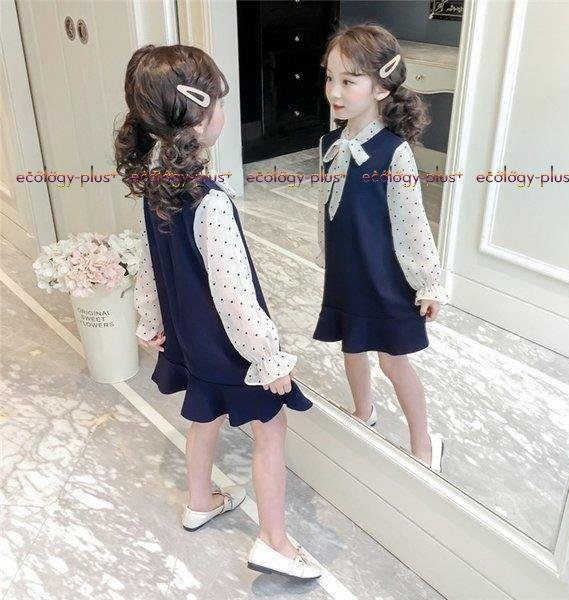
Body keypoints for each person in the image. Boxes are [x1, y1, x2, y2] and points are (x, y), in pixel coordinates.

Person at [114, 44, 320, 580]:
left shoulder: (155, 188)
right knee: (269, 430)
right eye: (221, 101)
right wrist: (268, 358)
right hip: (231, 348)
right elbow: (235, 296)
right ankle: (275, 542)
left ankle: (200, 500)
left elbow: (147, 260)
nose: (224, 110)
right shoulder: (210, 201)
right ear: (201, 113)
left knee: (202, 416)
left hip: (189, 338)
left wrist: (151, 320)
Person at [313, 24, 449, 473]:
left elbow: (412, 224)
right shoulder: (329, 144)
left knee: (393, 361)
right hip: (347, 272)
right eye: (330, 78)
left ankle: (424, 441)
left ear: (381, 87)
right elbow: (326, 210)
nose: (335, 91)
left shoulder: (395, 153)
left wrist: (428, 282)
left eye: (348, 81)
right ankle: (363, 411)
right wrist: (327, 255)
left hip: (383, 276)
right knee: (351, 347)